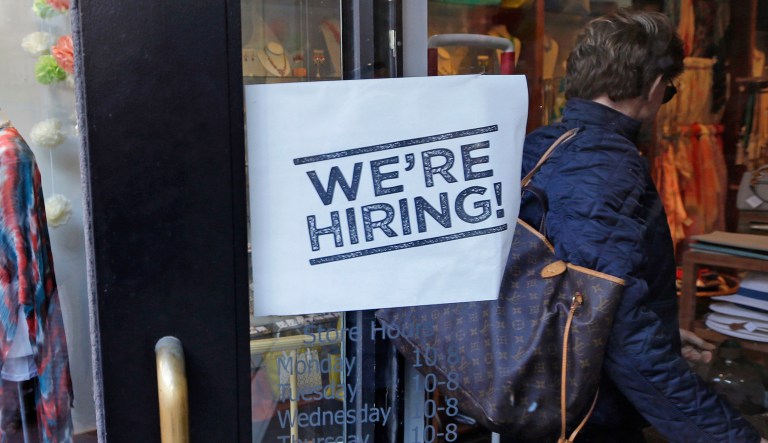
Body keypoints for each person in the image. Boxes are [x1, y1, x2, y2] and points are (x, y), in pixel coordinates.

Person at [519, 9, 766, 443]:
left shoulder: (541, 144)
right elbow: (614, 326)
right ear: (654, 86)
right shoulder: (606, 165)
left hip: (540, 390)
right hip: (584, 415)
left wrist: (662, 330)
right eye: (669, 91)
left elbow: (572, 286)